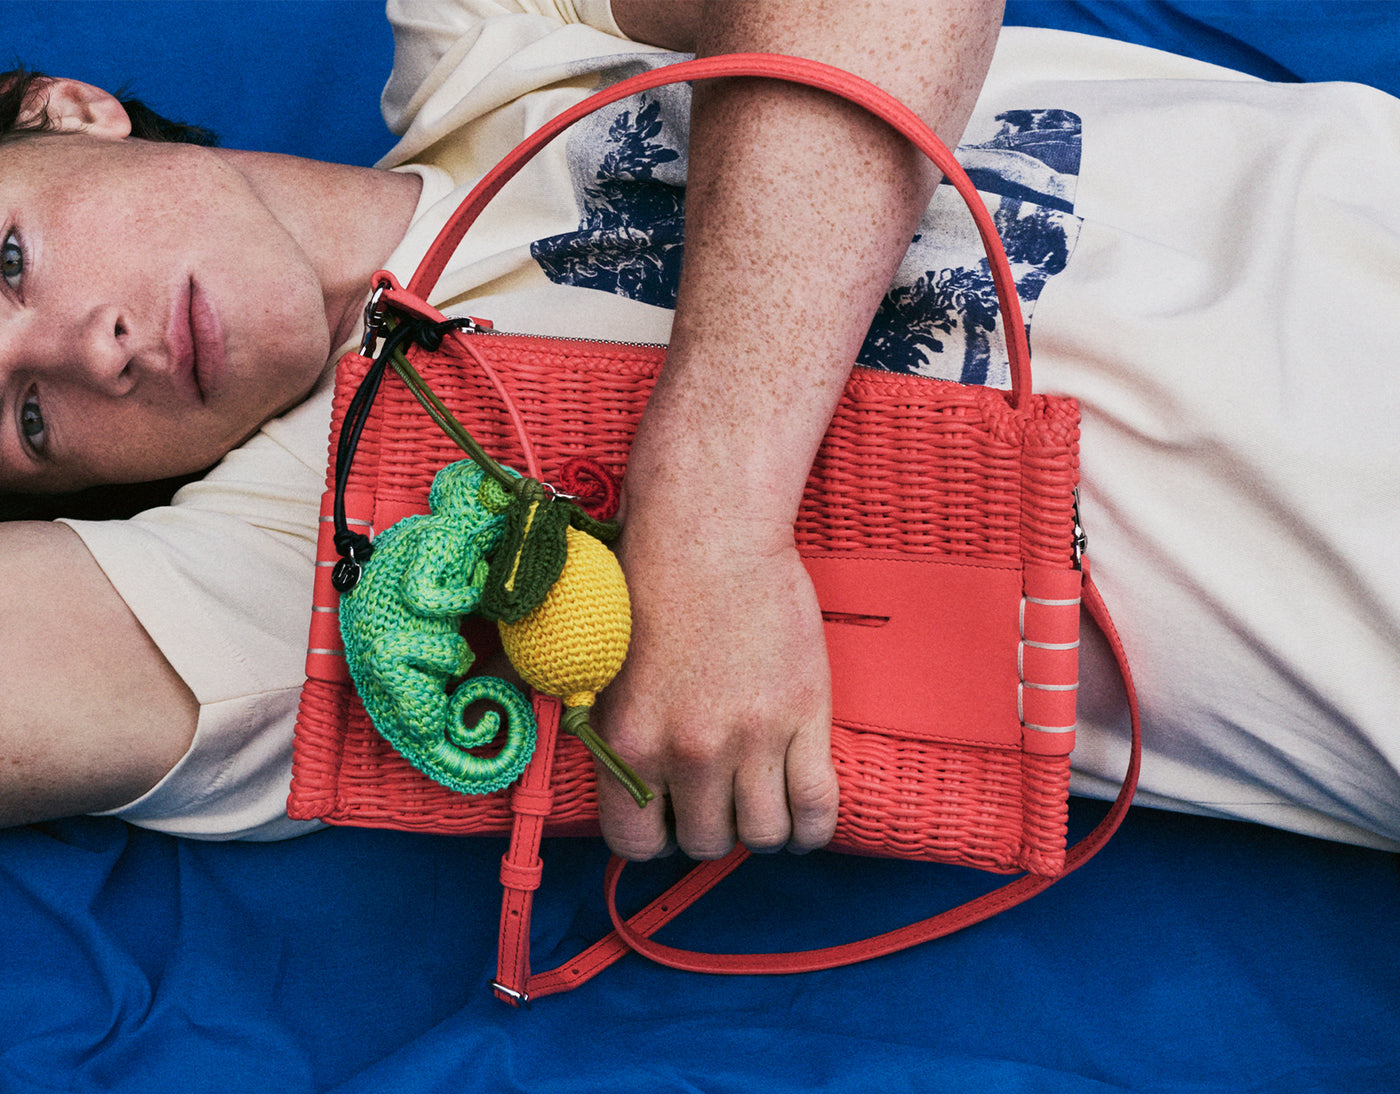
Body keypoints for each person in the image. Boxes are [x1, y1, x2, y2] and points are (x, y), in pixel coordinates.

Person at [2, 0, 1398, 857]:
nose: (85, 351)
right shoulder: (284, 569)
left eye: (10, 261)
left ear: (73, 114)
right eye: (24, 415)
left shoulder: (489, 36)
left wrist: (710, 515)